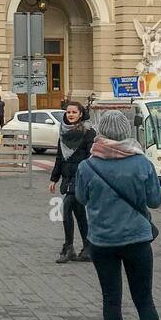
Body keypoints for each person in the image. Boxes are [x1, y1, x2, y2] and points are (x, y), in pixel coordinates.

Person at [76, 110, 161, 320]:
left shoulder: (88, 166)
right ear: (126, 131)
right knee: (144, 301)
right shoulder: (141, 163)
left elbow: (81, 197)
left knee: (111, 301)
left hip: (103, 241)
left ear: (102, 132)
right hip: (137, 240)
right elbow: (155, 201)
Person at [49, 101, 95, 262]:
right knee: (79, 213)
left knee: (67, 206)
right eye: (68, 112)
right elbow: (59, 156)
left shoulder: (88, 132)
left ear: (81, 114)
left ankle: (68, 247)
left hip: (81, 176)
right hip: (68, 177)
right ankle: (88, 247)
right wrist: (54, 178)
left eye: (74, 112)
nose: (70, 115)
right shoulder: (63, 132)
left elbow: (92, 156)